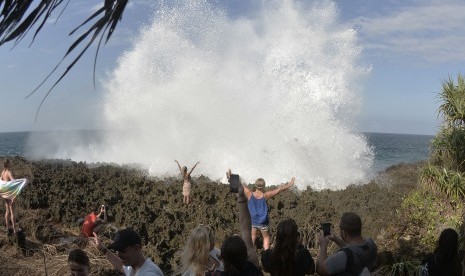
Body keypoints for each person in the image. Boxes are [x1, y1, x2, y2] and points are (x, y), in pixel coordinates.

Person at [205, 174, 262, 276]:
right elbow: (246, 230)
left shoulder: (216, 274)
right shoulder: (252, 264)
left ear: (222, 258)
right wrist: (241, 197)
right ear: (246, 253)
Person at [227, 169, 295, 250]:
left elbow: (240, 184)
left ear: (255, 185)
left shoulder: (249, 194)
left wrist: (231, 176)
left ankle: (250, 252)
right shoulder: (265, 195)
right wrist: (289, 184)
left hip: (253, 221)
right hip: (263, 222)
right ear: (264, 186)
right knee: (266, 237)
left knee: (252, 236)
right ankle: (267, 252)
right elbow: (279, 189)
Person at [92, 228, 164, 276]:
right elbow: (120, 265)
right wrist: (103, 249)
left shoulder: (149, 274)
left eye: (123, 251)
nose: (119, 255)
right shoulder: (134, 267)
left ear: (137, 248)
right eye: (118, 251)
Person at [0, 158, 27, 234]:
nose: (11, 163)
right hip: (10, 195)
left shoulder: (3, 172)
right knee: (12, 212)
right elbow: (13, 182)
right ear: (8, 164)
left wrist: (2, 193)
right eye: (10, 163)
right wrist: (23, 180)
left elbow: (1, 183)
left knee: (7, 211)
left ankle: (8, 227)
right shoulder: (9, 172)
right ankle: (15, 229)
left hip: (5, 195)